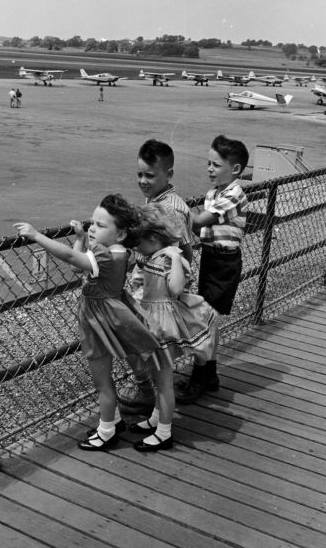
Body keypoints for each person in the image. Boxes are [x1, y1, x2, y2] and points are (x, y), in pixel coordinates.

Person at [13, 194, 162, 452]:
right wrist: (82, 238)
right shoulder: (119, 252)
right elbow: (78, 267)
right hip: (111, 314)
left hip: (98, 320)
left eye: (101, 226)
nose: (93, 228)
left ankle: (107, 429)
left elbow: (71, 260)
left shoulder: (104, 257)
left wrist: (37, 236)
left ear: (121, 234)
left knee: (102, 380)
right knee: (106, 374)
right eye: (93, 223)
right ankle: (113, 420)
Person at [129, 202, 215, 452]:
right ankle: (157, 419)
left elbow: (176, 288)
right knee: (158, 376)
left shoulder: (168, 258)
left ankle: (164, 432)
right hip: (152, 319)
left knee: (164, 381)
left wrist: (176, 258)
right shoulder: (153, 256)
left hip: (162, 325)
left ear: (154, 238)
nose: (135, 246)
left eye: (138, 241)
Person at [117, 138, 194, 416]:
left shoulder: (171, 208)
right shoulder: (157, 200)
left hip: (155, 293)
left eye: (150, 175)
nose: (143, 181)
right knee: (138, 341)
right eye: (139, 174)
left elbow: (185, 252)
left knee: (139, 342)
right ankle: (150, 393)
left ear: (168, 174)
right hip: (147, 286)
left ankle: (149, 394)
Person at [175, 134, 249, 404]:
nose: (209, 169)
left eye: (216, 165)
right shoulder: (214, 193)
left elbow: (199, 222)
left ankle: (198, 378)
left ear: (236, 169)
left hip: (224, 263)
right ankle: (210, 375)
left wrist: (173, 204)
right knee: (210, 321)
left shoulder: (234, 193)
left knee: (205, 320)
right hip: (211, 258)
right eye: (209, 163)